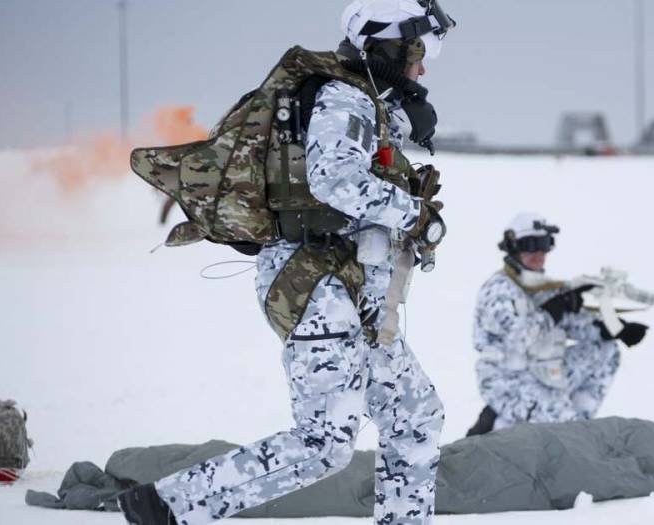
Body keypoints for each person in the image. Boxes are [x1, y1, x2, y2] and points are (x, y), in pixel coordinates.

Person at [118, 1, 455, 524]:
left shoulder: (360, 99)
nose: (424, 67)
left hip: (350, 285)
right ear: (394, 46)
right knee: (324, 444)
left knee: (415, 414)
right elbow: (334, 180)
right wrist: (413, 214)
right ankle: (165, 507)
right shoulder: (343, 99)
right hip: (312, 282)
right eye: (422, 52)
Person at [466, 213, 648, 436]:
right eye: (531, 246)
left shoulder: (538, 286)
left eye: (544, 245)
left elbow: (569, 322)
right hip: (507, 382)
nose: (539, 254)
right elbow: (520, 339)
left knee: (605, 351)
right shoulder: (499, 291)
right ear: (513, 247)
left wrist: (610, 329)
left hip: (543, 372)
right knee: (568, 431)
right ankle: (502, 424)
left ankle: (570, 423)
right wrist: (555, 309)